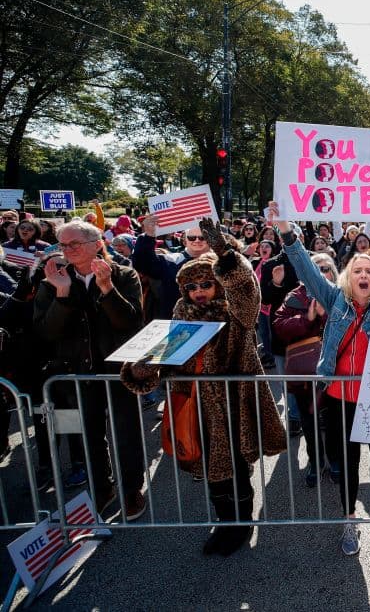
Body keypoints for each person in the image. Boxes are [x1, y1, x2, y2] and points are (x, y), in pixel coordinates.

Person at [122, 218, 285, 556]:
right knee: (213, 471)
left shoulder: (236, 312)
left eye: (206, 284)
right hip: (198, 405)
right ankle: (225, 522)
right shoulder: (182, 313)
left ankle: (241, 524)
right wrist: (141, 368)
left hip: (235, 403)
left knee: (238, 468)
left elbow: (246, 290)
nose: (198, 291)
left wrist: (225, 253)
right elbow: (164, 358)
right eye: (192, 286)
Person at [269, 201, 370, 555]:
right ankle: (350, 519)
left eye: (369, 270)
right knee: (347, 460)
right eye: (356, 270)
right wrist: (286, 230)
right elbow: (304, 268)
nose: (363, 274)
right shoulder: (333, 299)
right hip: (338, 396)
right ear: (348, 277)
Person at [35, 221, 148, 521]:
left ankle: (131, 490)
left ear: (97, 243)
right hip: (77, 372)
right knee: (90, 435)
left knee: (126, 433)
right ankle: (101, 490)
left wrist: (107, 289)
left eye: (75, 243)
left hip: (119, 369)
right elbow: (46, 331)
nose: (68, 250)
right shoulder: (52, 279)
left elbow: (130, 322)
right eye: (63, 245)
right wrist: (61, 294)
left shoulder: (123, 274)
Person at [272, 253, 340, 487]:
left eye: (326, 269)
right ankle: (316, 461)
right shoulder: (295, 296)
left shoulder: (341, 294)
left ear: (333, 272)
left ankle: (335, 461)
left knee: (334, 420)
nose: (321, 273)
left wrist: (329, 315)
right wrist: (307, 317)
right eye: (316, 269)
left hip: (335, 370)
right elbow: (279, 327)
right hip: (305, 372)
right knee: (309, 421)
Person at [132, 215, 213, 319]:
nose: (197, 240)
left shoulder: (220, 261)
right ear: (184, 240)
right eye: (192, 237)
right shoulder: (170, 260)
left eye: (202, 237)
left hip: (215, 321)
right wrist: (148, 235)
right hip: (177, 321)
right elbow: (141, 264)